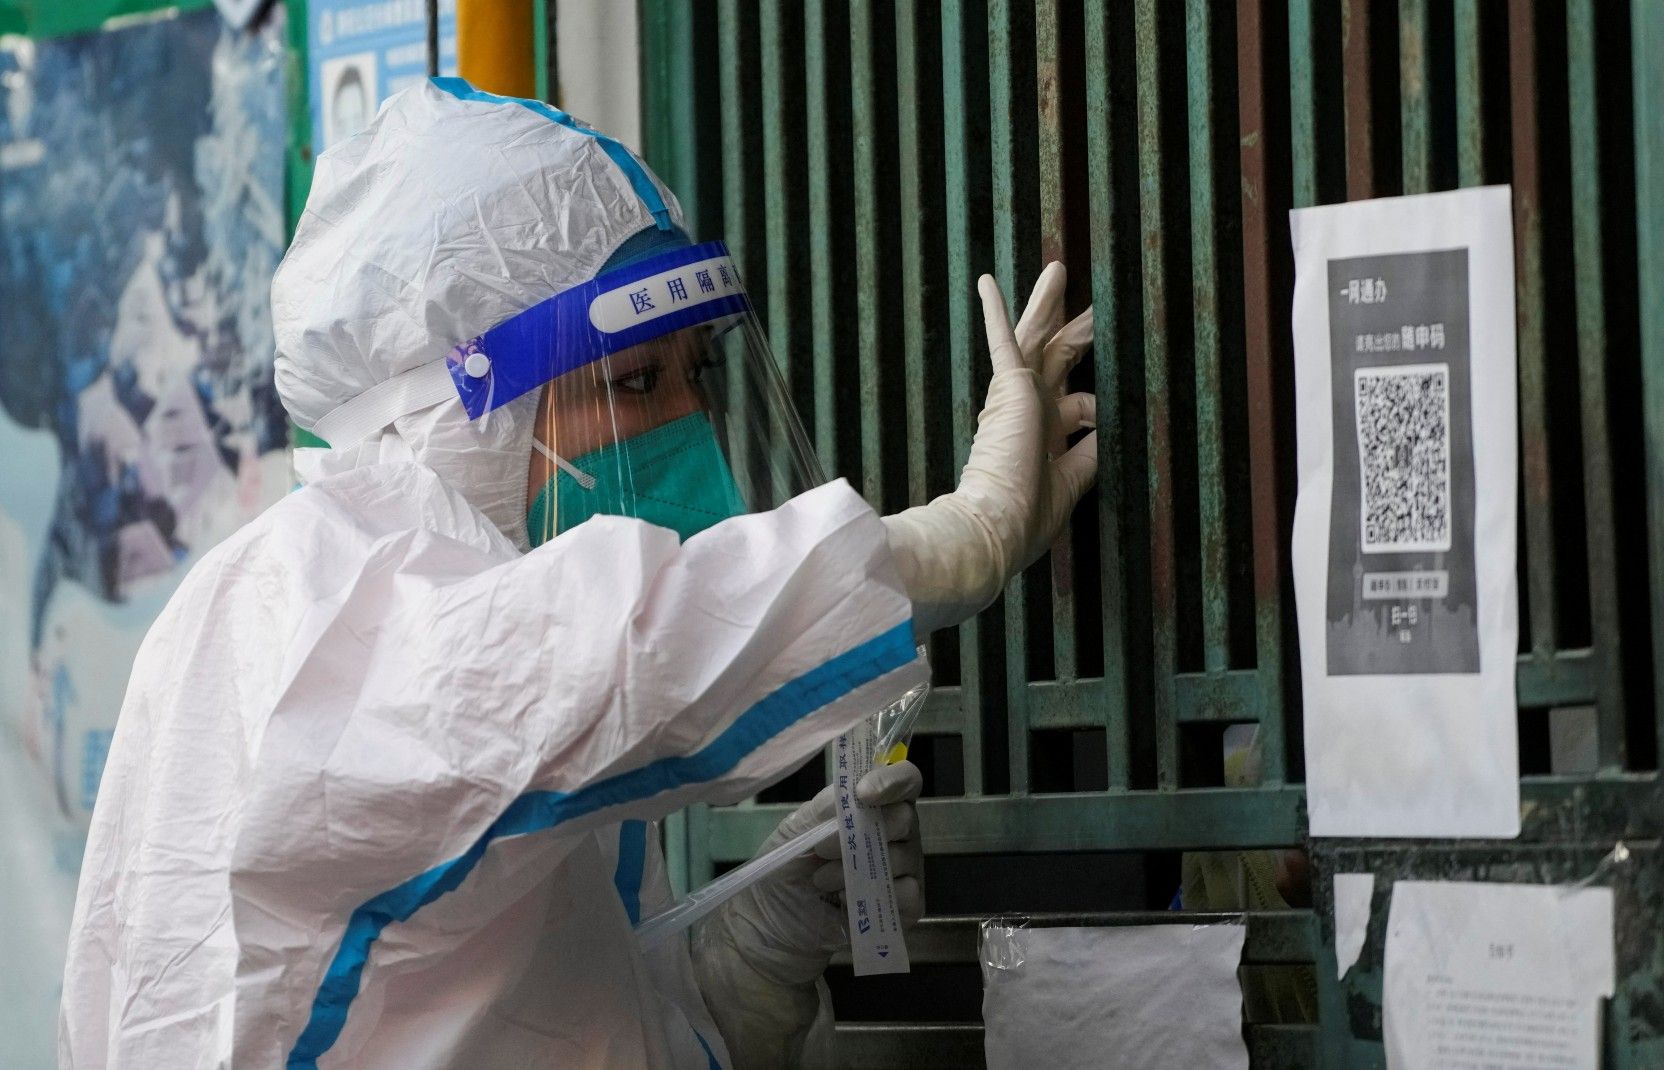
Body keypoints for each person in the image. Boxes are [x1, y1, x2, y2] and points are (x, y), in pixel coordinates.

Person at [59, 78, 1098, 1069]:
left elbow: (528, 1022)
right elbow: (627, 642)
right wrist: (970, 530)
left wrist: (739, 964)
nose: (686, 426)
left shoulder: (508, 687)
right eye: (635, 378)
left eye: (695, 374)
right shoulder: (323, 596)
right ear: (467, 409)